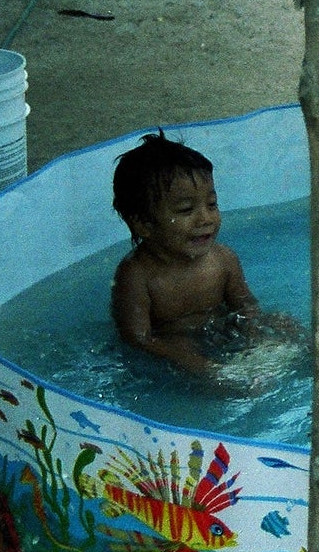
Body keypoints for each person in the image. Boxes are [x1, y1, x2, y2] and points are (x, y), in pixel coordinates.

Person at [110, 133, 277, 388]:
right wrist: (188, 360)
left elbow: (245, 306)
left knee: (283, 324)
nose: (205, 219)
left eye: (212, 204)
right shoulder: (137, 275)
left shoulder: (223, 260)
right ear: (144, 224)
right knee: (180, 347)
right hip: (175, 340)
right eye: (186, 210)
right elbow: (138, 338)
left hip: (222, 330)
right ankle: (220, 380)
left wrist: (255, 339)